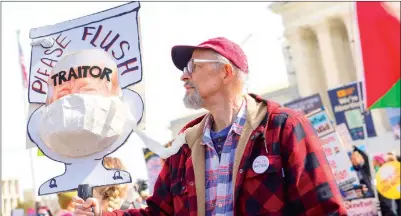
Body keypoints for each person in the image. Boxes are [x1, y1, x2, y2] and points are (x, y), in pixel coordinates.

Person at [73, 37, 346, 215]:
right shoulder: (184, 144)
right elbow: (159, 213)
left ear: (226, 71)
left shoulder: (283, 127)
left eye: (193, 66)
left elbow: (325, 209)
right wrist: (102, 213)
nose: (184, 76)